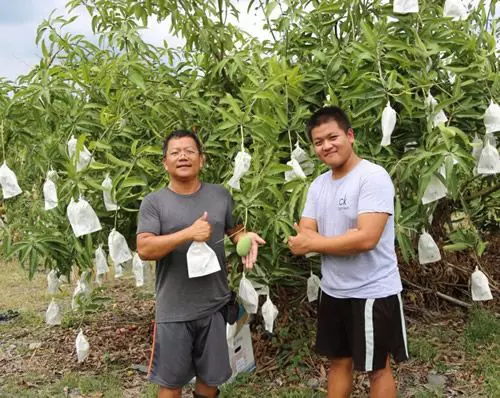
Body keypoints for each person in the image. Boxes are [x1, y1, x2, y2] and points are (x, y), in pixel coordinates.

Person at [288, 106, 408, 398]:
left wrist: (316, 243)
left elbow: (366, 239)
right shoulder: (318, 185)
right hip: (334, 290)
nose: (326, 146)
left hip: (372, 292)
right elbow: (305, 232)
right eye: (318, 142)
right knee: (338, 362)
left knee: (377, 368)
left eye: (332, 137)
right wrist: (343, 238)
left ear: (350, 135)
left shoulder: (372, 177)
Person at [137, 129, 265, 398]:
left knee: (210, 380)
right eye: (175, 152)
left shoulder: (220, 196)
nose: (182, 156)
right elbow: (145, 248)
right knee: (170, 384)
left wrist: (245, 237)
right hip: (174, 309)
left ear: (201, 159)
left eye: (189, 151)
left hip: (214, 305)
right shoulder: (154, 203)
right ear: (165, 162)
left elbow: (234, 230)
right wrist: (187, 233)